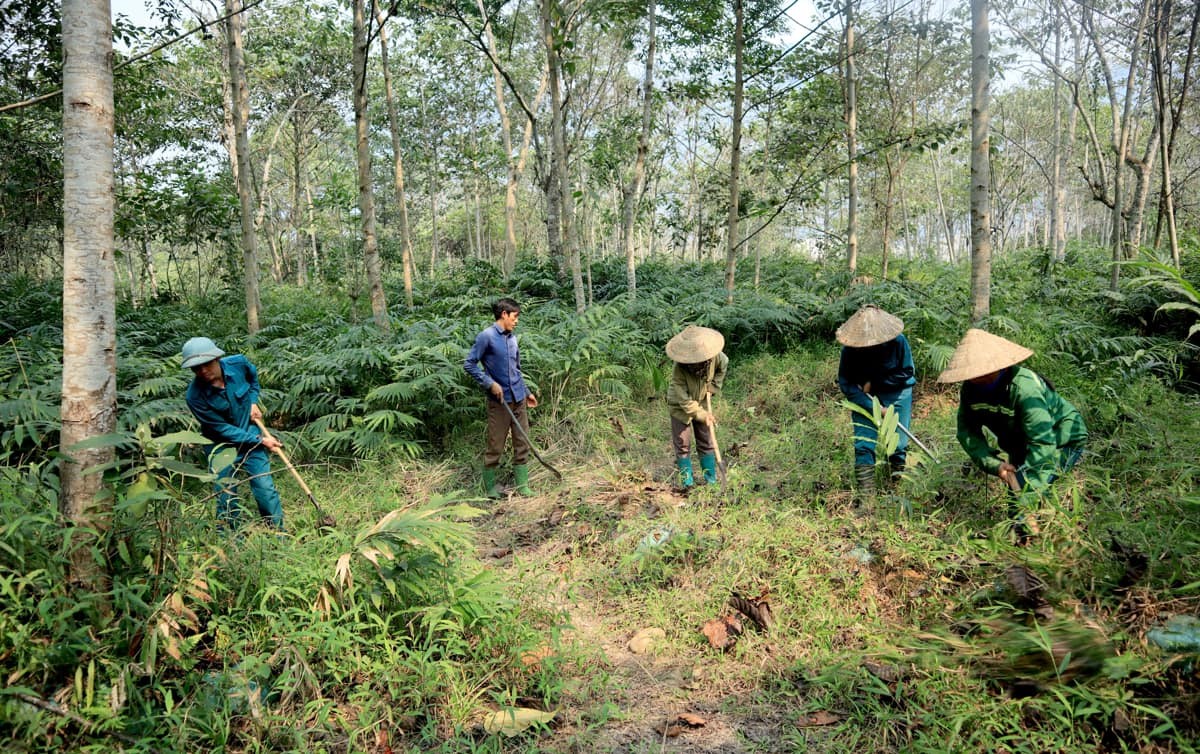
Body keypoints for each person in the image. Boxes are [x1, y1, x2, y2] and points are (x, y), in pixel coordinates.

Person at [937, 328, 1088, 539]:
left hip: (1062, 438)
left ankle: (1048, 540)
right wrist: (995, 465)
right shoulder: (970, 390)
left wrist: (1027, 498)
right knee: (1016, 503)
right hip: (1019, 443)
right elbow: (967, 431)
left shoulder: (1024, 388)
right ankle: (1022, 539)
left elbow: (1043, 443)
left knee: (1033, 489)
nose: (973, 377)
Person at [181, 337, 284, 530]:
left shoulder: (239, 364)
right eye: (196, 368)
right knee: (225, 494)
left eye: (206, 364)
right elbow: (221, 429)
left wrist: (253, 401)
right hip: (220, 445)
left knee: (265, 488)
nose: (202, 371)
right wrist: (261, 440)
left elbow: (253, 380)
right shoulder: (194, 396)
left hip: (251, 434)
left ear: (217, 358)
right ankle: (230, 538)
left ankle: (278, 532)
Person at [836, 305, 916, 495]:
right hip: (863, 396)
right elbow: (846, 384)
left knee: (898, 445)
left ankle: (894, 490)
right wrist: (872, 406)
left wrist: (874, 382)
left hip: (897, 392)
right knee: (864, 444)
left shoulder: (898, 342)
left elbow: (907, 371)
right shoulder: (850, 349)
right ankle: (867, 497)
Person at [464, 298, 539, 498]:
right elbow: (469, 364)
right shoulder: (486, 337)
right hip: (499, 401)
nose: (516, 321)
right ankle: (490, 488)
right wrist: (490, 383)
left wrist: (527, 391)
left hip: (519, 398)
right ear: (504, 314)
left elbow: (516, 370)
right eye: (514, 317)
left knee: (522, 440)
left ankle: (522, 486)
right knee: (496, 443)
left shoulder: (512, 339)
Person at [665, 325, 728, 488]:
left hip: (701, 400)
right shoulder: (679, 369)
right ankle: (687, 482)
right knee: (682, 443)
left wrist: (714, 386)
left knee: (706, 441)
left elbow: (723, 366)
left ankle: (711, 480)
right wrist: (702, 415)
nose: (695, 364)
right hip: (680, 406)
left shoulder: (716, 358)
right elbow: (684, 401)